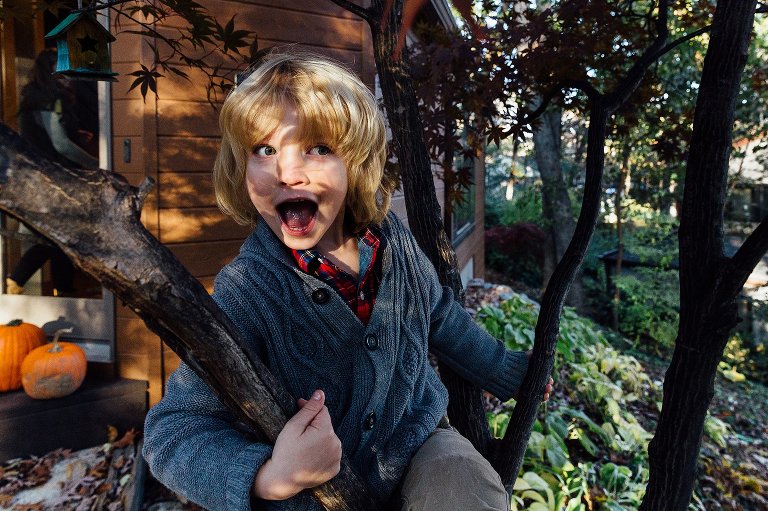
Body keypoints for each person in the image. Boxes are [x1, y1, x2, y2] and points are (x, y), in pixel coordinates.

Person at [142, 51, 553, 511]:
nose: (287, 172)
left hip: (416, 440)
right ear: (242, 167)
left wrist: (506, 371)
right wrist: (268, 476)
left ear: (355, 163)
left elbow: (438, 314)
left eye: (317, 148)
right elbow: (171, 432)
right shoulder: (248, 290)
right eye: (265, 149)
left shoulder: (391, 240)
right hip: (315, 491)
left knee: (464, 488)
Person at [4, 48, 98, 296]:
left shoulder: (34, 98)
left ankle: (64, 291)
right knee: (57, 236)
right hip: (54, 178)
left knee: (61, 237)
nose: (68, 76)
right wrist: (94, 163)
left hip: (38, 175)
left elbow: (43, 135)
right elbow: (59, 144)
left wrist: (76, 133)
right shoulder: (51, 98)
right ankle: (17, 279)